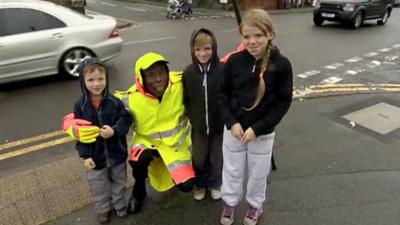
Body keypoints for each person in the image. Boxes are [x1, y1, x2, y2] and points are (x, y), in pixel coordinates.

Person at [62, 52, 195, 214]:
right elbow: (98, 108)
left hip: (175, 147)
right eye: (151, 75)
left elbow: (211, 72)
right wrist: (70, 126)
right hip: (148, 144)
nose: (158, 78)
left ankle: (176, 174)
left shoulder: (181, 83)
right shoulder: (129, 98)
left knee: (187, 187)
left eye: (161, 72)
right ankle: (139, 190)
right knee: (138, 159)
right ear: (141, 78)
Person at [218, 9, 293, 225]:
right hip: (234, 130)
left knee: (258, 174)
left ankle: (255, 206)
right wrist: (231, 123)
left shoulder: (282, 65)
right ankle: (229, 203)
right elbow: (221, 95)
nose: (252, 41)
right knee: (231, 170)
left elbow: (282, 102)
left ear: (270, 34)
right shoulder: (233, 62)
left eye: (258, 35)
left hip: (261, 133)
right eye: (246, 36)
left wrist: (257, 129)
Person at [69, 58, 133, 224]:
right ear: (83, 82)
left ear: (106, 79)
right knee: (99, 187)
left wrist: (114, 131)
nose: (96, 84)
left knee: (119, 182)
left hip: (117, 154)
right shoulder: (80, 106)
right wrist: (85, 156)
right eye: (91, 80)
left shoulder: (114, 102)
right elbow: (79, 133)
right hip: (95, 158)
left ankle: (119, 204)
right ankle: (103, 209)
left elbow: (126, 120)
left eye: (100, 79)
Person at [182, 28, 224, 201]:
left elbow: (228, 95)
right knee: (199, 158)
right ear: (192, 50)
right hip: (199, 126)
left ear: (213, 48)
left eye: (207, 48)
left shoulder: (222, 70)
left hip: (219, 125)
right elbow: (186, 99)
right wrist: (193, 116)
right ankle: (200, 184)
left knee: (217, 157)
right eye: (198, 49)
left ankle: (215, 183)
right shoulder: (189, 73)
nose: (202, 53)